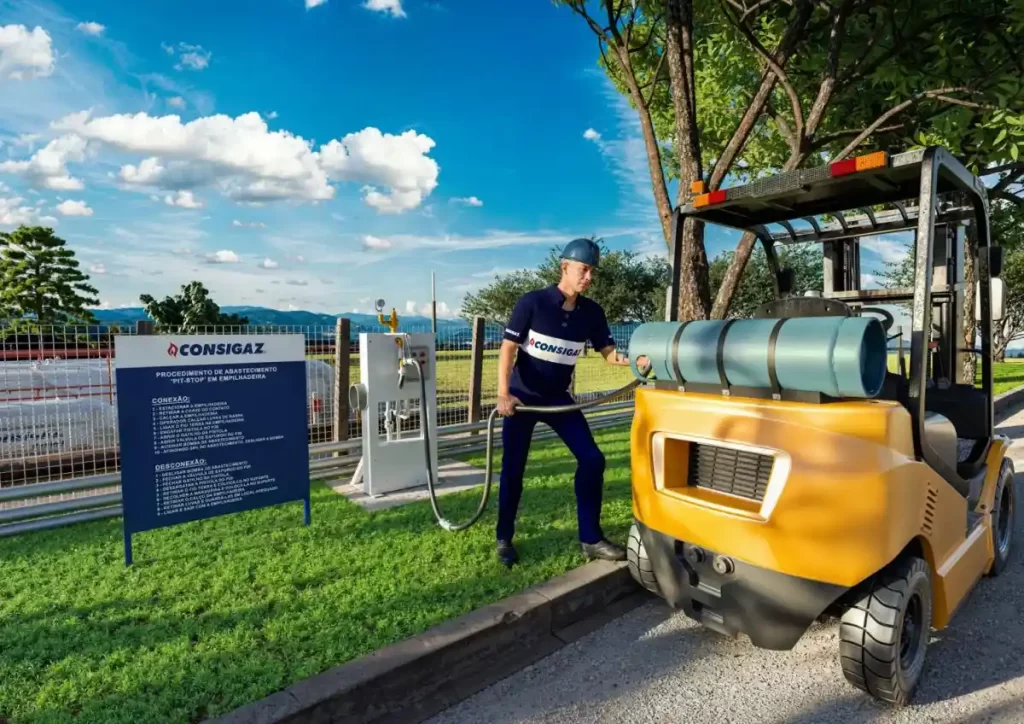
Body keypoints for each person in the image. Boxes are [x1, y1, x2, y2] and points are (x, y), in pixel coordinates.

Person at [494, 237, 634, 568]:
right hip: (523, 400)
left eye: (592, 272)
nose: (589, 277)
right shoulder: (532, 303)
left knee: (593, 459)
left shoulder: (592, 313)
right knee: (513, 470)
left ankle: (591, 538)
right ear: (565, 267)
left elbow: (610, 355)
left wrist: (638, 361)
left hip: (559, 400)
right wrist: (503, 393)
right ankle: (504, 538)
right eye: (584, 270)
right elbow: (508, 349)